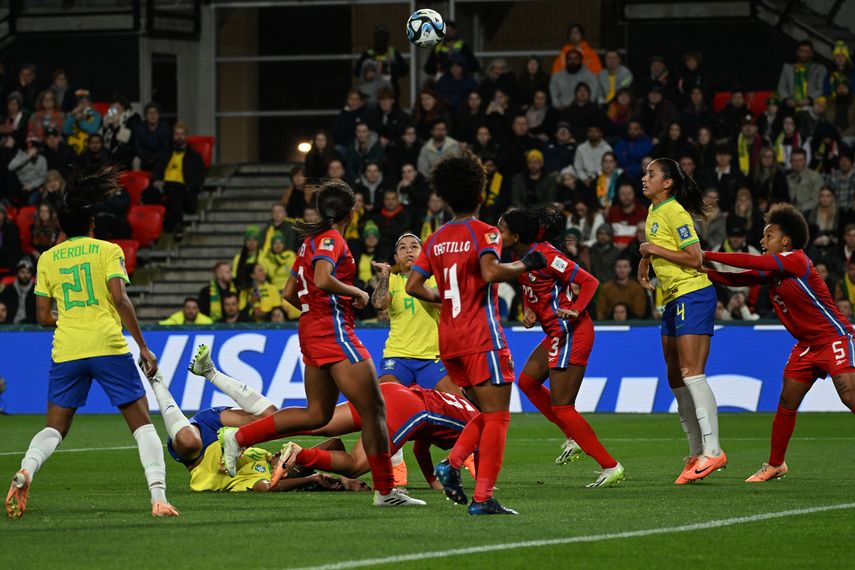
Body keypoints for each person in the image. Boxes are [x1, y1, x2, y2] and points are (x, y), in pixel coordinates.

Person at [219, 181, 424, 507]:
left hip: (313, 331)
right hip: (335, 333)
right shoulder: (332, 239)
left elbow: (289, 292)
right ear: (351, 211)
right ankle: (385, 491)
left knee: (317, 413)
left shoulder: (309, 242)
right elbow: (322, 278)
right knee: (375, 410)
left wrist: (315, 312)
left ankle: (239, 437)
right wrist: (355, 292)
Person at [5, 166, 178, 519]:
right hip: (107, 346)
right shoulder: (107, 251)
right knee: (142, 423)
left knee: (54, 427)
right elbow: (121, 300)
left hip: (67, 349)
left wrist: (68, 318)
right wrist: (143, 347)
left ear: (63, 228)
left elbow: (41, 318)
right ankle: (158, 497)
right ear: (92, 225)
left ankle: (26, 470)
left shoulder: (47, 259)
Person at [406, 152, 547, 515]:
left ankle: (451, 466)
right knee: (498, 416)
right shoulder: (484, 231)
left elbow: (412, 285)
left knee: (486, 412)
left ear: (447, 197)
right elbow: (489, 272)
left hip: (449, 341)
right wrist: (524, 263)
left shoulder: (436, 238)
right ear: (481, 193)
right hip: (481, 337)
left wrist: (444, 298)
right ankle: (482, 498)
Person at [703, 204, 855, 480]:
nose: (762, 241)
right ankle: (775, 464)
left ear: (785, 240)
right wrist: (701, 269)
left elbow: (749, 262)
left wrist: (704, 254)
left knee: (849, 395)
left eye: (768, 235)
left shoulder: (796, 259)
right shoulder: (774, 270)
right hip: (807, 346)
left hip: (835, 337)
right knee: (787, 401)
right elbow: (737, 277)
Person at [500, 206, 625, 486]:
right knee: (528, 382)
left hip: (572, 332)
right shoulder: (517, 255)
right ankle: (572, 435)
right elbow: (532, 288)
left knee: (563, 407)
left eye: (501, 229)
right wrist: (530, 310)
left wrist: (577, 309)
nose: (497, 234)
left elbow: (589, 282)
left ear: (516, 235)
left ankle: (610, 466)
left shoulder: (547, 256)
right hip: (556, 333)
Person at [148, 345, 366, 493]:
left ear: (283, 474)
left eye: (285, 464)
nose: (282, 457)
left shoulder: (256, 477)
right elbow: (335, 444)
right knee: (272, 418)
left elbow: (268, 488)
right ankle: (210, 372)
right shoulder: (265, 457)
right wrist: (304, 460)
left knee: (188, 440)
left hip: (198, 454)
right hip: (218, 426)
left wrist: (313, 479)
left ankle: (156, 382)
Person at [637, 157, 726, 484]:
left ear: (668, 183)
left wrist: (651, 249)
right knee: (675, 377)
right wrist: (647, 257)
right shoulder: (653, 212)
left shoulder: (675, 212)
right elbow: (658, 248)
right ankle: (695, 452)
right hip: (673, 299)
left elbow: (695, 257)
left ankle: (713, 450)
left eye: (651, 174)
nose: (644, 178)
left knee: (691, 373)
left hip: (694, 294)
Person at [371, 233, 457, 486]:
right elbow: (377, 303)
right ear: (396, 257)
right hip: (398, 358)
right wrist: (385, 276)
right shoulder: (395, 282)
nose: (409, 250)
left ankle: (469, 467)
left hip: (432, 359)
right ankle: (396, 469)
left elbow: (449, 306)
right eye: (402, 248)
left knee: (464, 412)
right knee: (385, 408)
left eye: (414, 246)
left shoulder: (435, 281)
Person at [354, 25, 408, 97]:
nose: (381, 38)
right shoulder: (368, 54)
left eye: (384, 36)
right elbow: (356, 72)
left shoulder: (393, 53)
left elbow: (405, 71)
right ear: (375, 38)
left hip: (390, 93)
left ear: (388, 38)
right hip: (371, 93)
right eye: (378, 36)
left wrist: (392, 66)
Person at [778, 40, 827, 106]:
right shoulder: (788, 67)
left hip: (810, 105)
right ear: (797, 52)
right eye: (801, 51)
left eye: (807, 52)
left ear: (812, 54)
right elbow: (781, 87)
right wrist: (787, 100)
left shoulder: (819, 68)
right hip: (790, 104)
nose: (804, 54)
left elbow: (820, 89)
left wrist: (809, 100)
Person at [132, 102, 171, 171]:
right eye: (149, 113)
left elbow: (165, 147)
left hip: (159, 157)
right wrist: (147, 157)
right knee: (136, 160)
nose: (152, 116)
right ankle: (139, 181)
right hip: (144, 157)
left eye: (155, 113)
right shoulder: (139, 128)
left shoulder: (165, 127)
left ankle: (160, 181)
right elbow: (137, 147)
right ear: (145, 115)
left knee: (166, 158)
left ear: (159, 115)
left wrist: (154, 157)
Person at [62, 90, 101, 155]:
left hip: (88, 148)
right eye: (81, 102)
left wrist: (82, 120)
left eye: (86, 101)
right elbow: (66, 130)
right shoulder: (72, 114)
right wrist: (72, 116)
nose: (83, 104)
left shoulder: (96, 115)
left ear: (90, 103)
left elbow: (92, 131)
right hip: (72, 148)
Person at [0, 257, 36, 324]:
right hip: (9, 326)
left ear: (31, 275)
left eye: (28, 272)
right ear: (17, 273)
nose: (25, 275)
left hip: (32, 327)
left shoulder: (36, 291)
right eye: (22, 272)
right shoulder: (8, 289)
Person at [787, 147, 824, 213]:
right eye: (794, 160)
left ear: (805, 161)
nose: (797, 164)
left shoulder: (815, 177)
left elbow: (816, 200)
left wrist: (799, 209)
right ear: (790, 162)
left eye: (800, 160)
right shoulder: (787, 178)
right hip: (790, 212)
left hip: (809, 212)